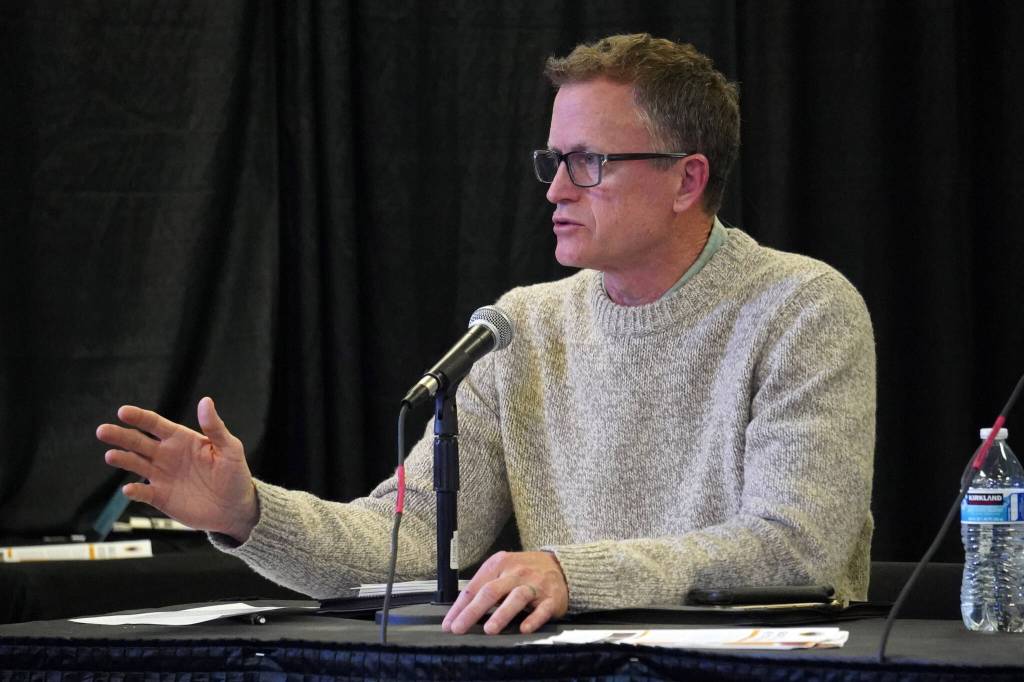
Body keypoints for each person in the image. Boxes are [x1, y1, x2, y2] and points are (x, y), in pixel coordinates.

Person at [97, 34, 875, 636]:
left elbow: (794, 547)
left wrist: (574, 575)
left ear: (688, 179)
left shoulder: (800, 309)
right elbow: (408, 537)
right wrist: (250, 514)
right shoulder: (524, 326)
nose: (557, 188)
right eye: (554, 160)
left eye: (589, 162)